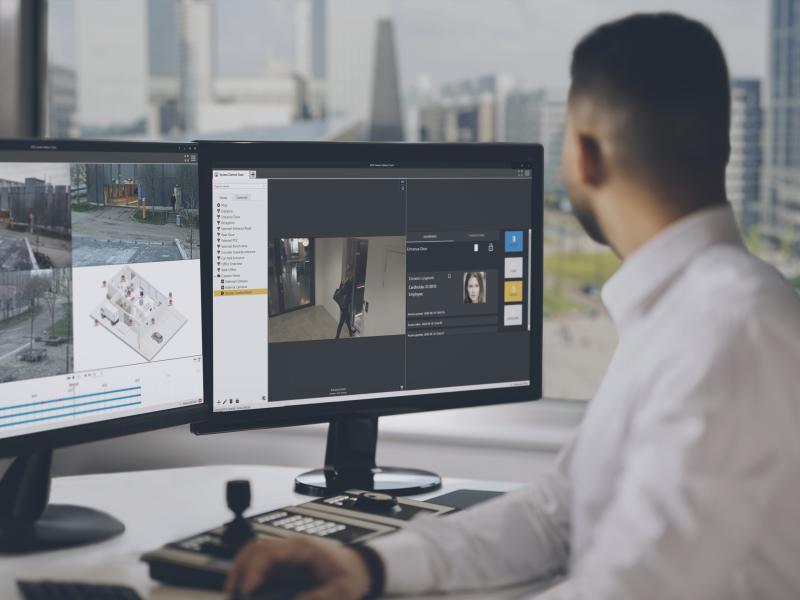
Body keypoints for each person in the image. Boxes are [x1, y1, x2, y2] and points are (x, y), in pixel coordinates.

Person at [226, 13, 800, 600]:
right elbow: (556, 514)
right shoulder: (690, 314)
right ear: (727, 148)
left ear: (583, 154)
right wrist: (373, 568)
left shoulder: (729, 331)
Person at [334, 269, 355, 339]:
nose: (352, 275)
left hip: (342, 303)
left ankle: (350, 332)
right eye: (351, 273)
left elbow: (340, 289)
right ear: (350, 274)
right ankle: (337, 337)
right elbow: (344, 292)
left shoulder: (344, 280)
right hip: (344, 304)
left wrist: (342, 284)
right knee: (342, 321)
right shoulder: (348, 282)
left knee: (348, 318)